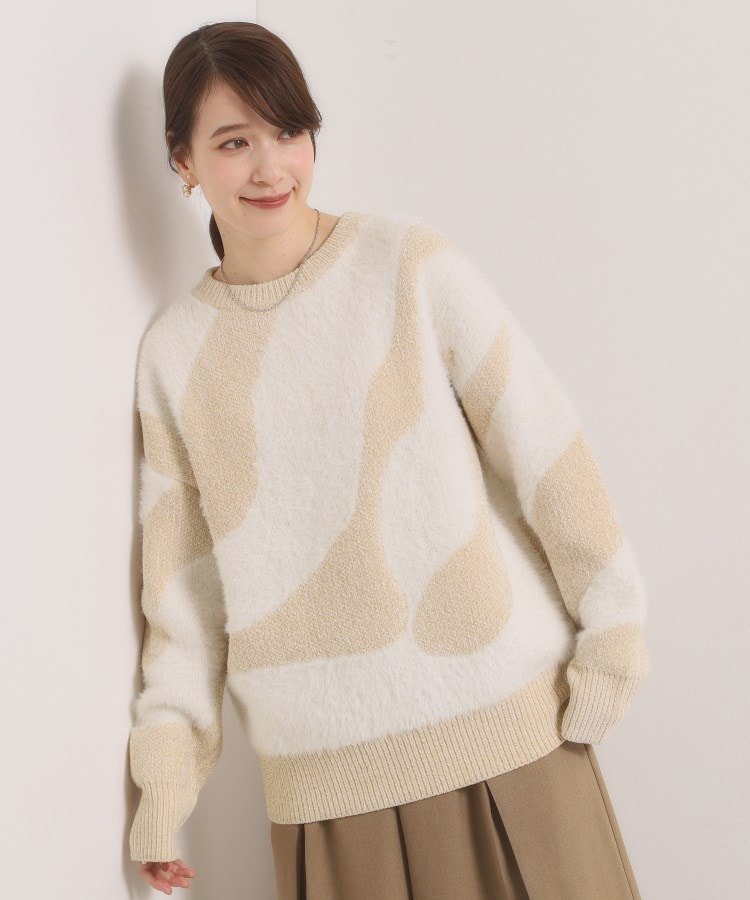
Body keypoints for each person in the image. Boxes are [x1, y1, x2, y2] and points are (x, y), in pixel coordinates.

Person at [128, 20, 651, 899]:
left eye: (288, 131)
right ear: (183, 160)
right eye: (233, 142)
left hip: (512, 741)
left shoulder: (406, 265)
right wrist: (164, 787)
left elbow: (546, 449)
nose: (270, 168)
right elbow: (182, 597)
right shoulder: (175, 355)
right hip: (329, 797)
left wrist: (615, 640)